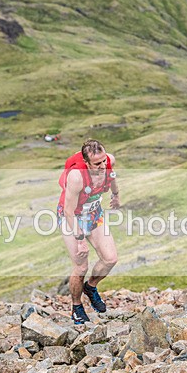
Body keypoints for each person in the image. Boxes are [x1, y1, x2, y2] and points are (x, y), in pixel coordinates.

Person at [58, 139, 120, 324]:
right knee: (81, 267)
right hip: (72, 218)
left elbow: (112, 176)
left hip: (94, 214)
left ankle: (90, 287)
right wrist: (80, 240)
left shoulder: (109, 161)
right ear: (86, 163)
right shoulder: (77, 177)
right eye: (97, 163)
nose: (102, 166)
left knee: (110, 259)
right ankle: (76, 307)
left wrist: (115, 194)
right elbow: (68, 211)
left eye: (103, 161)